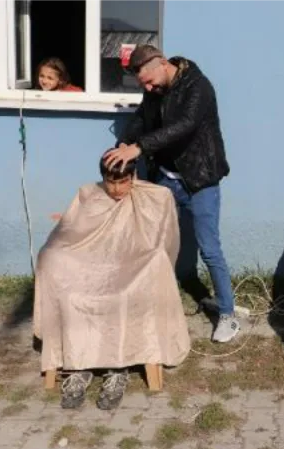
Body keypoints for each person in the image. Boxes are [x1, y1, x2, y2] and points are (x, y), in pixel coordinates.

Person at [33, 152, 191, 409]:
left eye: (123, 182)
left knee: (124, 292)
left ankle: (118, 369)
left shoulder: (155, 197)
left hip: (135, 273)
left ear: (133, 176)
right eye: (111, 182)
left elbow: (163, 244)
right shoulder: (88, 195)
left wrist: (142, 263)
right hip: (89, 270)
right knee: (59, 271)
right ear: (103, 178)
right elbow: (68, 235)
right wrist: (52, 253)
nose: (117, 189)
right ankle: (78, 368)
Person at [102, 45, 239, 343]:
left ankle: (228, 313)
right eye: (144, 86)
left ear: (162, 63)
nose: (148, 89)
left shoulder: (198, 86)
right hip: (166, 177)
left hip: (200, 179)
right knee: (153, 243)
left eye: (149, 82)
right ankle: (151, 305)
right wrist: (124, 145)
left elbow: (184, 126)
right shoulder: (154, 89)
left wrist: (139, 148)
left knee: (209, 247)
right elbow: (141, 118)